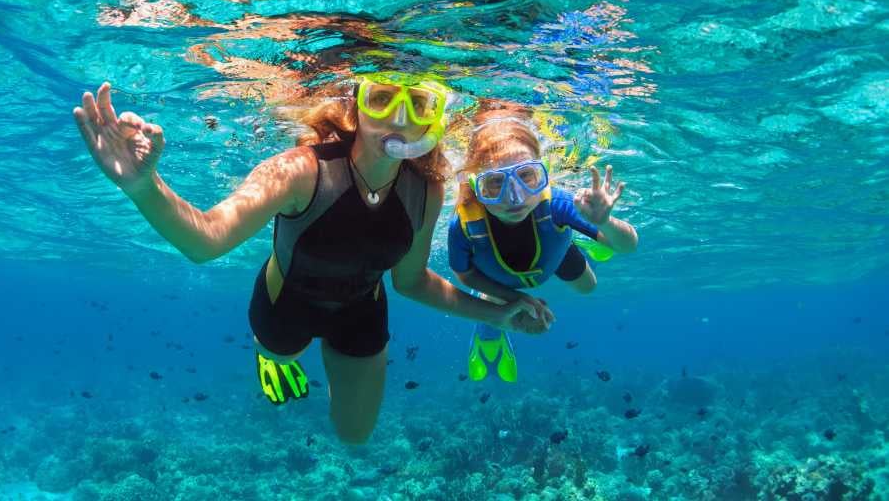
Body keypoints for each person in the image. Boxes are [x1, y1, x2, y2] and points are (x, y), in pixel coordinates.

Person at [73, 72, 552, 444]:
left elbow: (411, 282)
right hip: (285, 304)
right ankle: (272, 357)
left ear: (432, 118)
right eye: (381, 98)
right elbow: (206, 240)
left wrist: (500, 313)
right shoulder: (301, 170)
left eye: (418, 103)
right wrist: (142, 185)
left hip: (363, 311)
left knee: (354, 436)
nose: (399, 117)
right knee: (280, 352)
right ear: (356, 107)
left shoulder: (426, 189)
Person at [448, 105, 638, 383]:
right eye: (495, 183)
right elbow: (464, 275)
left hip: (555, 254)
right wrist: (516, 299)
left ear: (544, 173)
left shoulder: (558, 203)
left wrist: (605, 222)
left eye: (526, 176)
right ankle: (489, 336)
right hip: (499, 280)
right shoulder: (464, 225)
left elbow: (628, 246)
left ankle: (587, 238)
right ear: (476, 186)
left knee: (589, 287)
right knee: (494, 305)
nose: (514, 198)